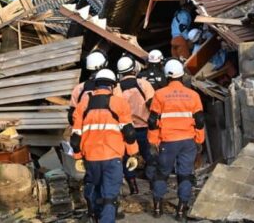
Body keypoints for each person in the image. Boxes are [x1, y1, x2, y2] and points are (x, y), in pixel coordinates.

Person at [71, 69, 140, 223]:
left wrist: (77, 156)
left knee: (93, 188)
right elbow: (129, 133)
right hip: (112, 157)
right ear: (112, 85)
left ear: (95, 84)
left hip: (91, 157)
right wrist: (133, 153)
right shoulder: (119, 103)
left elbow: (75, 137)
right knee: (109, 196)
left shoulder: (84, 104)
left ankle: (94, 216)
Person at [148, 59, 205, 221]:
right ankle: (180, 212)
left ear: (167, 76)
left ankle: (157, 209)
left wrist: (153, 142)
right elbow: (199, 121)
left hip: (167, 142)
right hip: (188, 142)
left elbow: (153, 121)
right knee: (185, 175)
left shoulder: (159, 95)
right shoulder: (193, 95)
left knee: (161, 175)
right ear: (182, 76)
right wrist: (199, 140)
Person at [115, 55, 157, 195]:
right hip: (145, 129)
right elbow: (153, 105)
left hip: (126, 131)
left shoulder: (117, 89)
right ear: (134, 69)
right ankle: (153, 186)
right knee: (150, 157)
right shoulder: (143, 84)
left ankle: (133, 188)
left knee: (128, 159)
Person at [68, 50, 107, 126]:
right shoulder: (113, 88)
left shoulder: (79, 88)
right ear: (105, 65)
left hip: (84, 132)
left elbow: (71, 116)